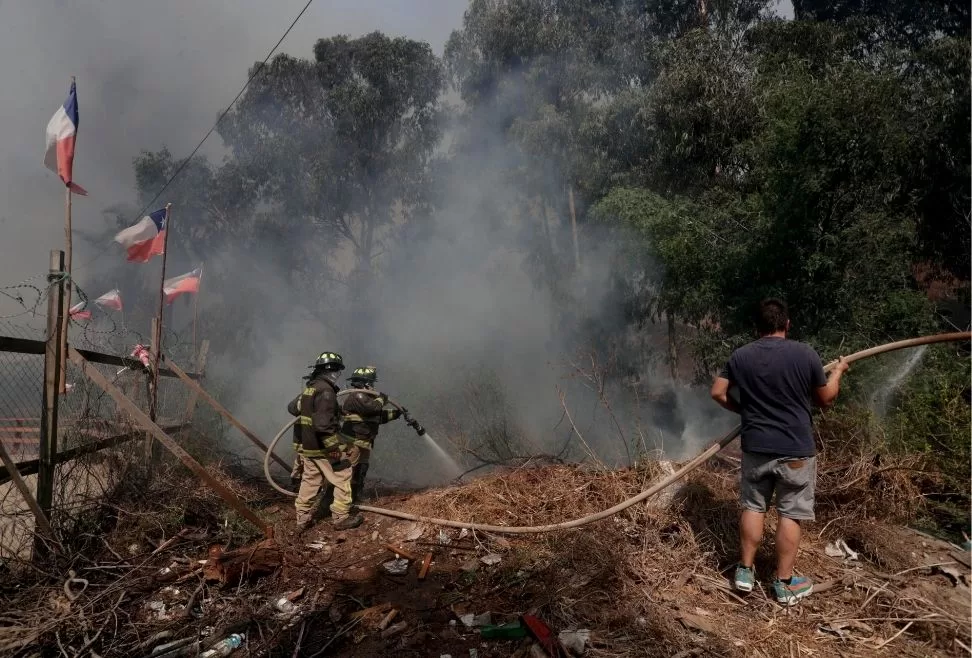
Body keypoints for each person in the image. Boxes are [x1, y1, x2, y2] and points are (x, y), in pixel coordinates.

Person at [710, 298, 849, 605]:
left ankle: (744, 572)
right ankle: (784, 584)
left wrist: (743, 409)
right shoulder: (806, 353)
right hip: (795, 451)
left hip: (756, 446)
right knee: (791, 513)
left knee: (753, 507)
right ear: (787, 324)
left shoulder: (741, 356)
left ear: (757, 327)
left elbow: (717, 392)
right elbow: (825, 398)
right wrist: (838, 371)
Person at [292, 351, 363, 533]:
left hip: (308, 445)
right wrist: (334, 450)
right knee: (343, 474)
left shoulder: (311, 388)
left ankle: (302, 518)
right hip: (322, 446)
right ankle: (340, 517)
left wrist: (337, 412)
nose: (337, 375)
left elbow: (299, 410)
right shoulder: (326, 391)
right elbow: (323, 425)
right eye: (337, 371)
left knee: (310, 480)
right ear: (331, 371)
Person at [340, 366, 403, 504]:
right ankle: (340, 501)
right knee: (347, 471)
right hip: (353, 442)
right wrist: (382, 399)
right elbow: (372, 408)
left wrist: (397, 413)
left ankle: (357, 494)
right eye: (371, 383)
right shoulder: (357, 396)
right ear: (365, 383)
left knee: (361, 469)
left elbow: (377, 417)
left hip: (365, 441)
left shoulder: (367, 398)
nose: (373, 386)